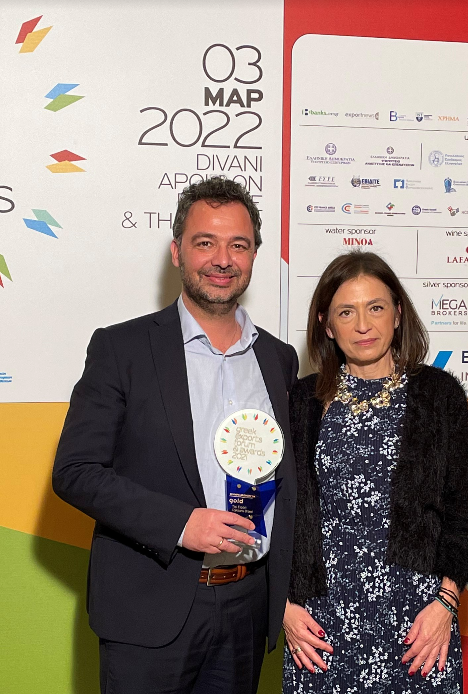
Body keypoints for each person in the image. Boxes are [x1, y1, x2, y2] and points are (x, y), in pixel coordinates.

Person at [52, 177, 298, 694]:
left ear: (254, 255)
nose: (222, 260)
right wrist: (182, 524)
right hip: (149, 611)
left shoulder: (279, 359)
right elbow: (75, 472)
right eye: (205, 242)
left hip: (247, 607)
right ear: (177, 251)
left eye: (238, 245)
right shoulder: (121, 349)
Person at [282, 251, 468, 693]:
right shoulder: (300, 401)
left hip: (418, 623)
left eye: (375, 307)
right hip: (319, 626)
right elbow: (275, 511)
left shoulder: (438, 395)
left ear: (397, 313)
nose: (362, 325)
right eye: (346, 312)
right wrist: (284, 606)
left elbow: (464, 513)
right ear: (326, 325)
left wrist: (445, 605)